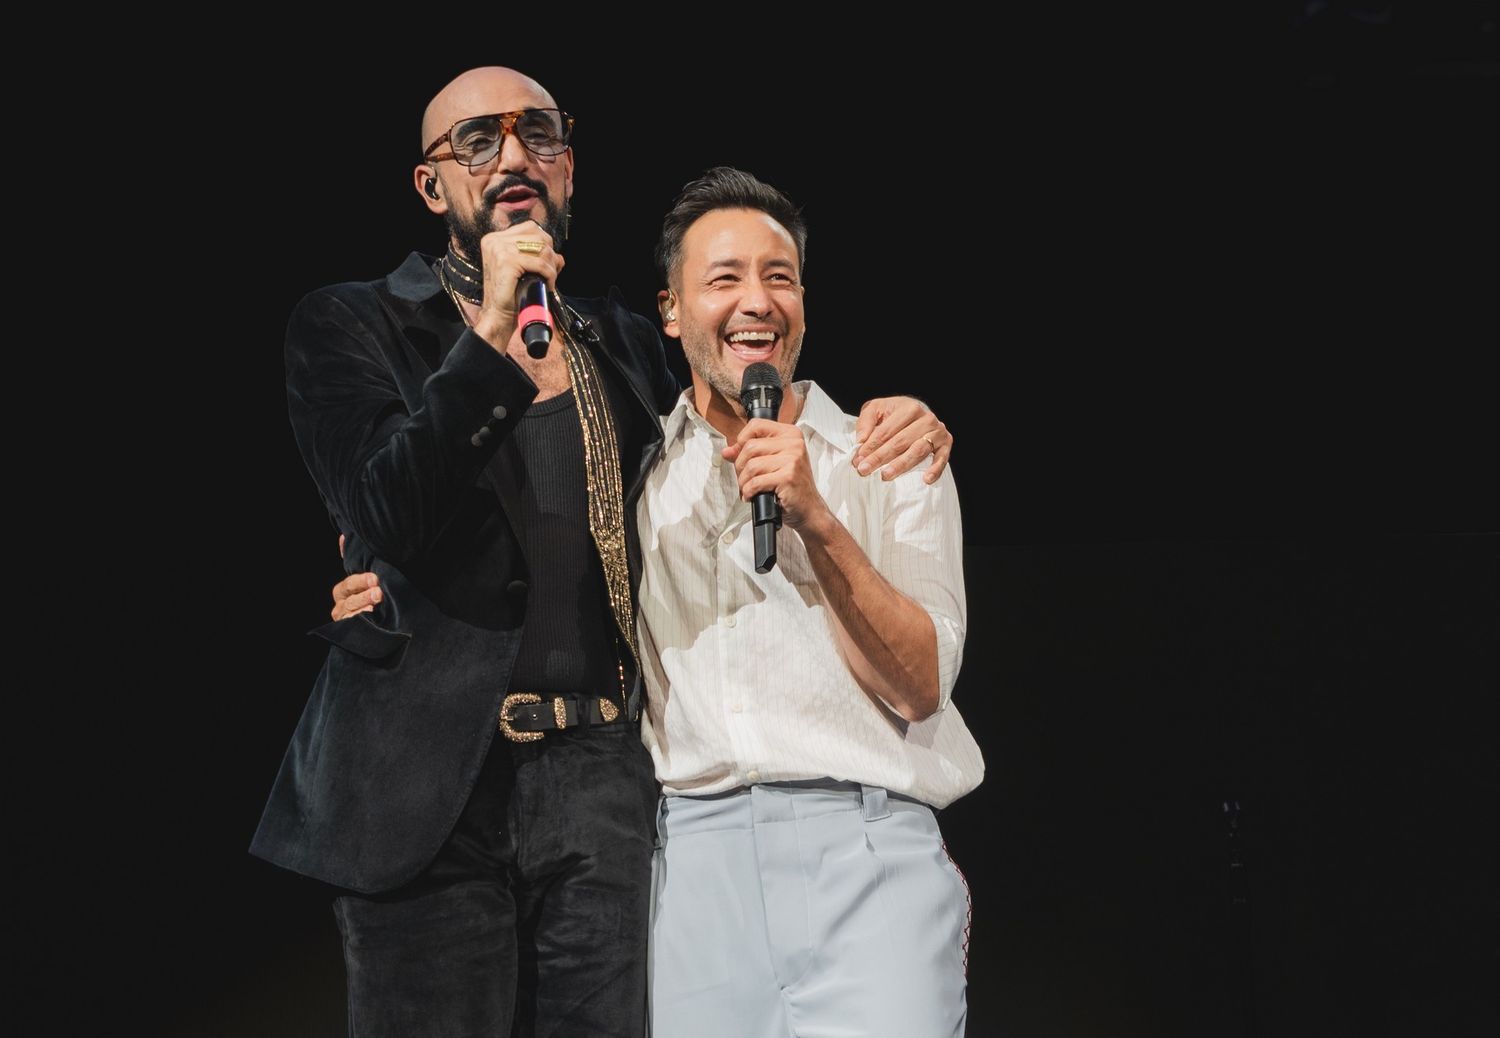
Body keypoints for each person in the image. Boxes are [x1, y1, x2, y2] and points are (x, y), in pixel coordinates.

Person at [252, 67, 953, 1038]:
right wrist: (492, 331)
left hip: (602, 789)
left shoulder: (618, 339)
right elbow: (378, 504)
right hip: (426, 787)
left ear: (569, 169)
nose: (511, 157)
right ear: (430, 185)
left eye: (538, 134)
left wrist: (899, 414)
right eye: (476, 140)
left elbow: (736, 373)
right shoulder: (352, 323)